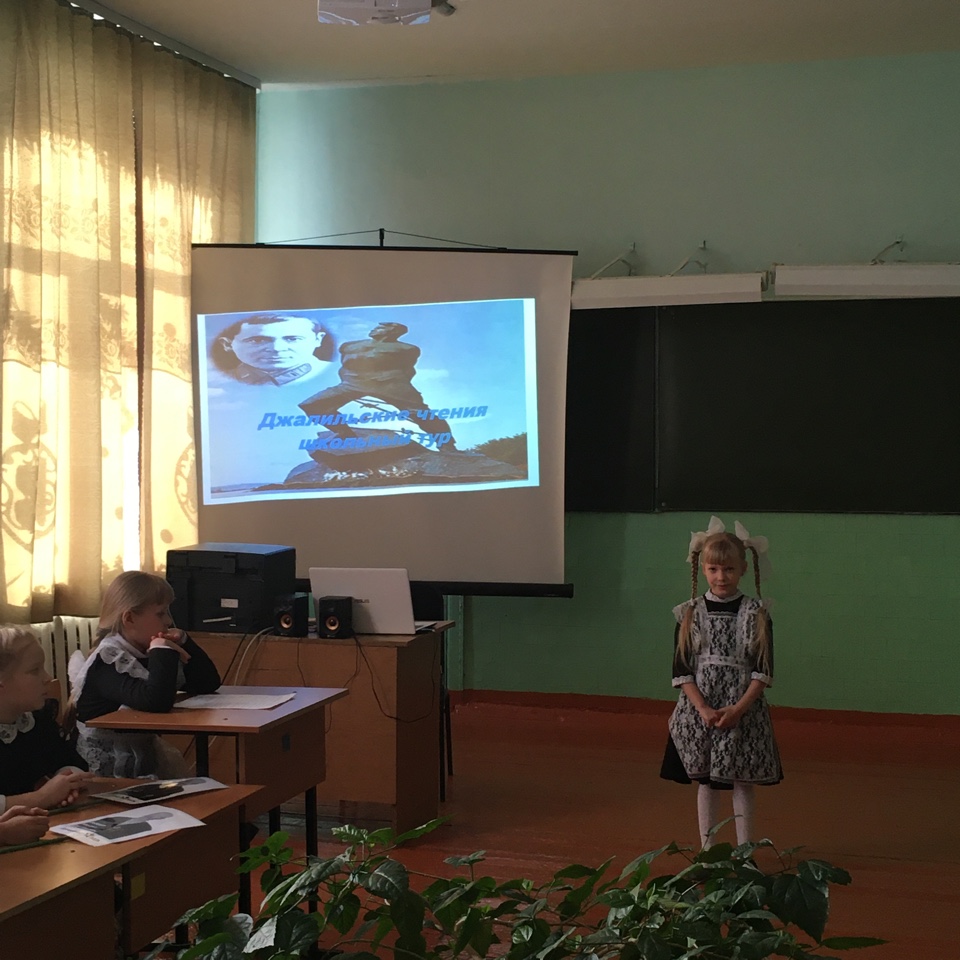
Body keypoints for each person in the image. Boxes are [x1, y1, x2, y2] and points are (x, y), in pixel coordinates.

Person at [659, 517, 782, 848]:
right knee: (707, 782)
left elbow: (763, 670)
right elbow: (682, 669)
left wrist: (739, 709)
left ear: (743, 569)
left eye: (728, 569)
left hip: (742, 709)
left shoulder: (757, 613)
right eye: (713, 569)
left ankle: (745, 852)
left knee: (742, 781)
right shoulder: (690, 613)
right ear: (703, 570)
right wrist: (702, 709)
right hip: (702, 710)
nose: (721, 577)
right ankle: (707, 850)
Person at [67, 572, 221, 778]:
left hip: (141, 759)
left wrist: (184, 640)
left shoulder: (143, 650)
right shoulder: (108, 660)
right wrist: (161, 650)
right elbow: (156, 701)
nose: (169, 620)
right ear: (129, 618)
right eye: (160, 613)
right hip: (105, 768)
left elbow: (207, 683)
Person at [299, 321, 457, 450]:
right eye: (377, 326)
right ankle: (345, 434)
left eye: (381, 327)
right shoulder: (349, 346)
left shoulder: (407, 349)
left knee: (421, 414)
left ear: (394, 332)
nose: (375, 329)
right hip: (353, 383)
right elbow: (345, 366)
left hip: (390, 384)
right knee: (313, 405)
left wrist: (399, 386)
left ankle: (447, 445)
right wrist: (348, 381)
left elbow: (408, 369)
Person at [0, 626, 92, 817]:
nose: (47, 678)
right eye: (35, 670)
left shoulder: (35, 721)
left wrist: (65, 782)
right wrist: (42, 797)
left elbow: (70, 760)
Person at [210, 313, 335, 386]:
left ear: (318, 340)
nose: (277, 349)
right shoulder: (217, 381)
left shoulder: (337, 375)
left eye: (293, 339)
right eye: (258, 340)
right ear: (227, 344)